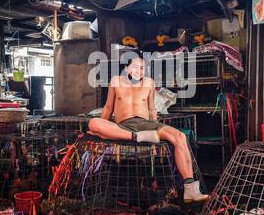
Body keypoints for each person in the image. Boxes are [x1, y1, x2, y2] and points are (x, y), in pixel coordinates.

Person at [88, 54, 208, 203]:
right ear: (126, 68)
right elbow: (107, 107)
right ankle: (136, 136)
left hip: (146, 125)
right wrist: (102, 129)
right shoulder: (116, 81)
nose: (139, 70)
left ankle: (190, 190)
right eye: (135, 67)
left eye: (142, 67)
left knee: (180, 137)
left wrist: (157, 127)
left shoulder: (150, 83)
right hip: (123, 126)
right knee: (94, 123)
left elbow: (152, 110)